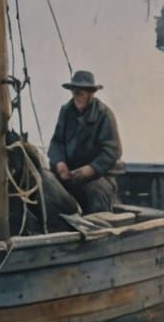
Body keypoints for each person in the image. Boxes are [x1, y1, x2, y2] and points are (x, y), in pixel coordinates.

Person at [44, 70, 122, 214]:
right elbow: (56, 143)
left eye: (80, 93)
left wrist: (90, 169)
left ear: (91, 94)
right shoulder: (66, 111)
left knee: (95, 191)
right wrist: (60, 164)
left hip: (100, 177)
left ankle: (100, 232)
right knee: (46, 184)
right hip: (70, 175)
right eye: (74, 93)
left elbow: (112, 151)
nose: (76, 97)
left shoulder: (104, 114)